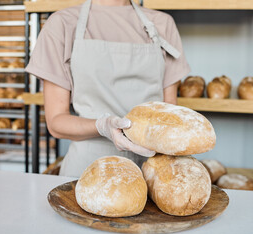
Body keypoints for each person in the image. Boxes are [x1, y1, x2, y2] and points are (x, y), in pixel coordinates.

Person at [25, 0, 191, 177]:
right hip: (88, 172)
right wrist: (102, 126)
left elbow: (170, 115)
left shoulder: (162, 24)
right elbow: (56, 122)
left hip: (152, 171)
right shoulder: (62, 23)